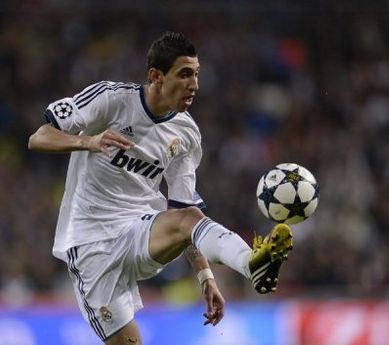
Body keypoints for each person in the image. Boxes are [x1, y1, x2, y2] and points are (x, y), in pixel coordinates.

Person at [28, 31, 293, 345]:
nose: (193, 84)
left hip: (140, 232)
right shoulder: (110, 99)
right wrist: (89, 141)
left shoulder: (186, 133)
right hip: (91, 245)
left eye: (196, 74)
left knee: (187, 216)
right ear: (156, 76)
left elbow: (183, 213)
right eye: (184, 74)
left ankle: (253, 265)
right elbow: (39, 138)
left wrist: (205, 275)